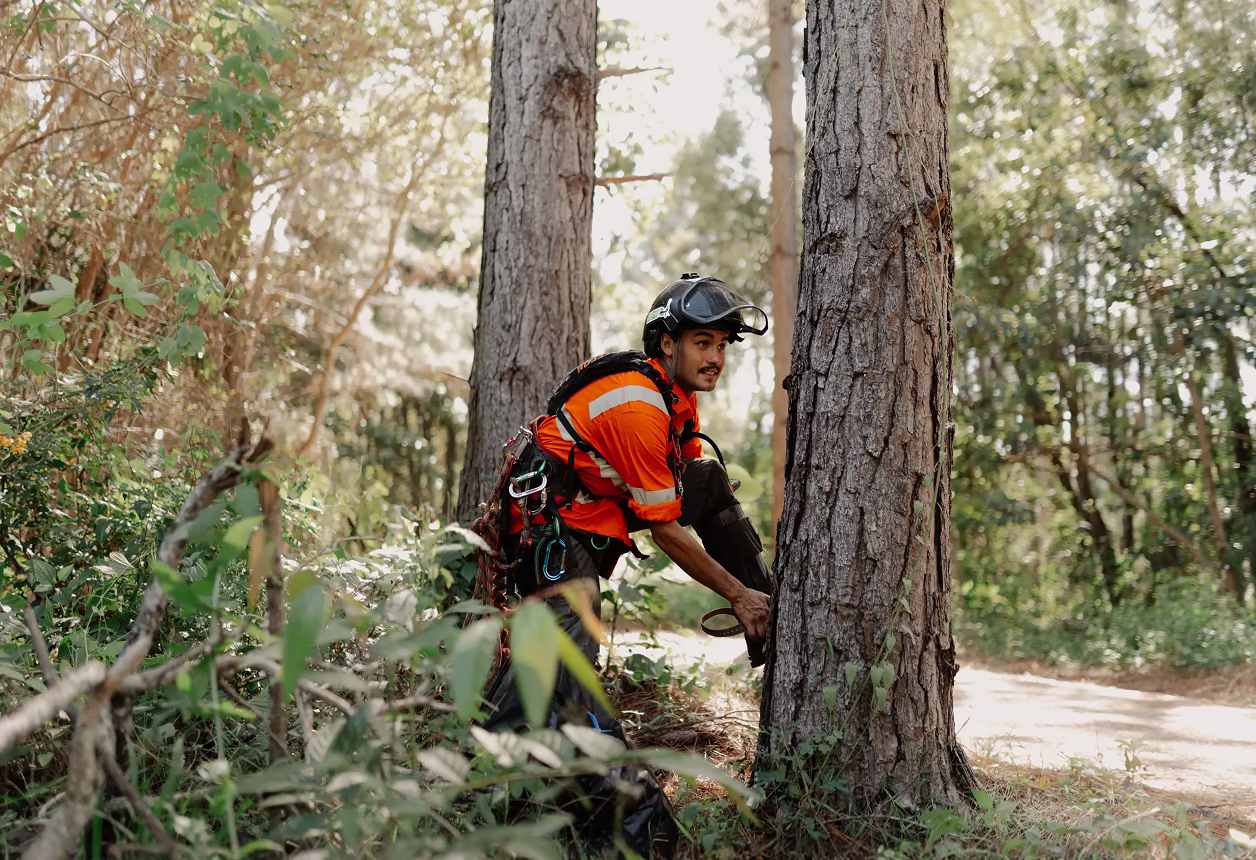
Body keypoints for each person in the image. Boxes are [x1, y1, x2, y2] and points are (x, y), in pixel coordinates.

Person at [468, 273, 775, 858]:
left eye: (721, 346)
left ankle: (772, 616)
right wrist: (735, 594)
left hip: (583, 519)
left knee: (708, 479)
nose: (715, 358)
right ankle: (640, 835)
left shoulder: (675, 403)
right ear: (667, 344)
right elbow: (666, 529)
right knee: (566, 680)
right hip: (550, 535)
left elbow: (696, 492)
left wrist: (753, 589)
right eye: (702, 343)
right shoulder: (639, 406)